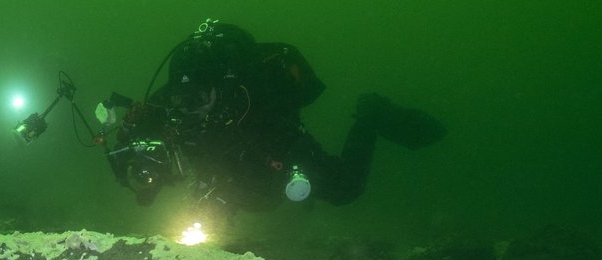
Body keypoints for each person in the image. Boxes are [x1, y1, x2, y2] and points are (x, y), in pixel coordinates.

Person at [104, 20, 445, 218]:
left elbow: (267, 193)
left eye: (198, 98)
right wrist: (135, 164)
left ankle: (371, 115)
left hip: (272, 147)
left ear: (220, 89)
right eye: (181, 99)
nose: (189, 108)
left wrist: (227, 194)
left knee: (345, 190)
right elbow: (137, 153)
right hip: (233, 171)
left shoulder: (258, 105)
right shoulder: (170, 105)